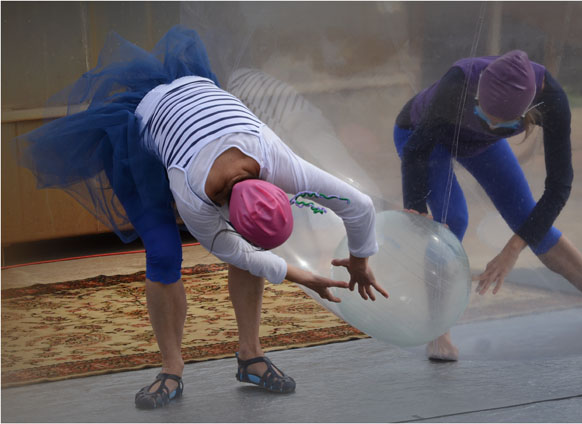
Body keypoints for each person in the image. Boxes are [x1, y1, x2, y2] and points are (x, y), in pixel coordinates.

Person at [17, 26, 388, 408]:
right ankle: (171, 368)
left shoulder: (279, 160)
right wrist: (302, 277)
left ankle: (250, 356)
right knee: (163, 255)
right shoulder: (192, 195)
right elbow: (239, 253)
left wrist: (360, 259)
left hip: (198, 102)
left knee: (249, 241)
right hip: (142, 132)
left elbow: (358, 205)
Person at [393, 50, 582, 361]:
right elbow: (416, 150)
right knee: (452, 219)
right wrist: (416, 210)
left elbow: (558, 188)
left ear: (526, 112)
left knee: (531, 221)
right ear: (478, 95)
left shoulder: (552, 100)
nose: (490, 125)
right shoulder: (459, 82)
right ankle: (438, 330)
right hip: (420, 137)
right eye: (484, 115)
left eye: (501, 124)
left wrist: (512, 249)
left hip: (479, 145)